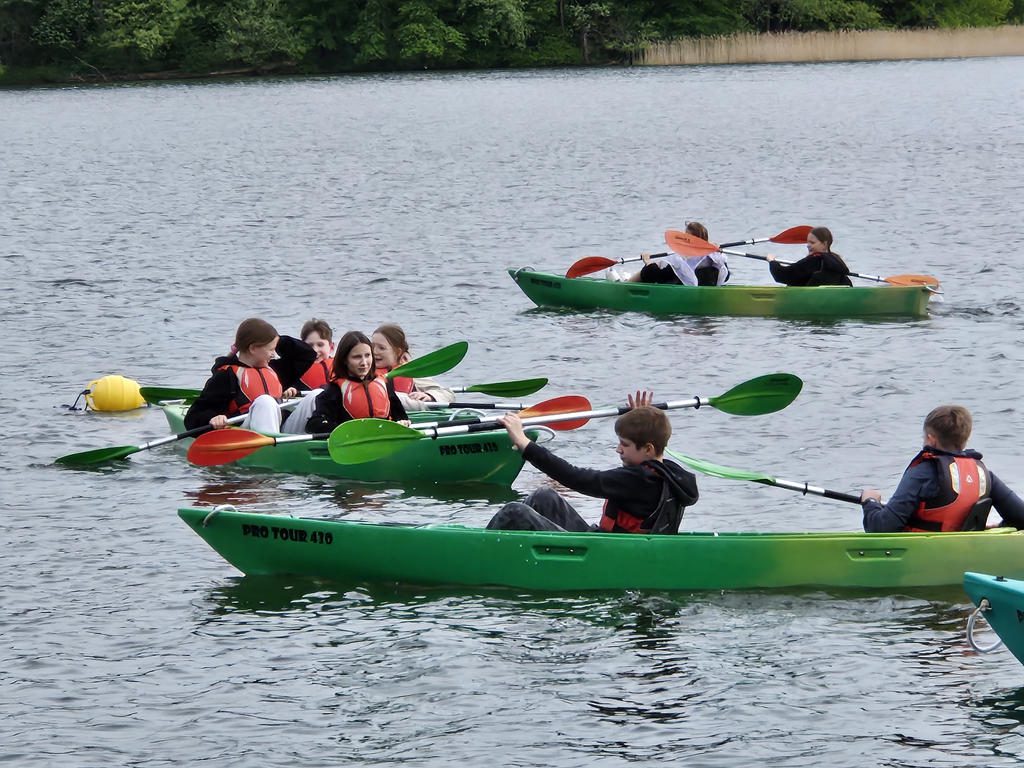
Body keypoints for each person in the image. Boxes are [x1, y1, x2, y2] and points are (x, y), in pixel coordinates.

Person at [486, 391, 699, 534]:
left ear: (648, 449)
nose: (618, 449)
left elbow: (575, 477)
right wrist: (641, 420)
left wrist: (525, 444)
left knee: (514, 512)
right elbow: (652, 444)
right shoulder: (670, 474)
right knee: (544, 497)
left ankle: (481, 552)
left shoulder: (639, 480)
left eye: (625, 444)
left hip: (607, 554)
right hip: (604, 541)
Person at [860, 405, 1024, 532]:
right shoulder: (984, 475)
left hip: (922, 552)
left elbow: (882, 528)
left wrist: (870, 502)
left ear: (931, 439)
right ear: (965, 439)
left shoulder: (923, 472)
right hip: (964, 549)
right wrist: (995, 528)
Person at [184, 317, 316, 433]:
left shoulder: (274, 369)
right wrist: (212, 419)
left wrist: (275, 338)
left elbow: (307, 354)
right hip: (247, 434)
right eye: (271, 349)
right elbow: (193, 417)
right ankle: (271, 449)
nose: (273, 354)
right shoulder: (226, 376)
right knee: (265, 401)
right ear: (253, 348)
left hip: (281, 432)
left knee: (316, 395)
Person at [301, 330, 409, 433]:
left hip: (383, 436)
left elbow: (401, 416)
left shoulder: (383, 384)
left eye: (367, 355)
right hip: (351, 439)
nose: (364, 363)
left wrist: (402, 421)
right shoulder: (334, 390)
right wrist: (344, 430)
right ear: (345, 360)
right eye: (357, 357)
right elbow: (313, 425)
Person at [372, 323, 455, 411]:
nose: (374, 351)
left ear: (398, 352)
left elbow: (448, 394)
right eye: (372, 346)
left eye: (381, 348)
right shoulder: (364, 371)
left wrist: (429, 396)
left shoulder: (411, 373)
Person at [623, 221, 729, 287]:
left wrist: (647, 261)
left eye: (686, 237)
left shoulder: (684, 258)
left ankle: (626, 284)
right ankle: (627, 281)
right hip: (699, 282)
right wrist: (713, 249)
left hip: (685, 284)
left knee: (650, 270)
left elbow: (656, 272)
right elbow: (727, 275)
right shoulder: (715, 256)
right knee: (657, 268)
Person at [766, 226, 852, 287]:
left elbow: (782, 275)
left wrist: (772, 261)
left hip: (812, 300)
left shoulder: (815, 259)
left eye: (812, 243)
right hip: (833, 298)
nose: (808, 245)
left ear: (824, 244)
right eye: (807, 242)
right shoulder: (837, 260)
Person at [297, 318, 335, 392]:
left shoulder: (342, 370)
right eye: (309, 345)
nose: (314, 350)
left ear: (331, 347)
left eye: (320, 345)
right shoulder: (292, 371)